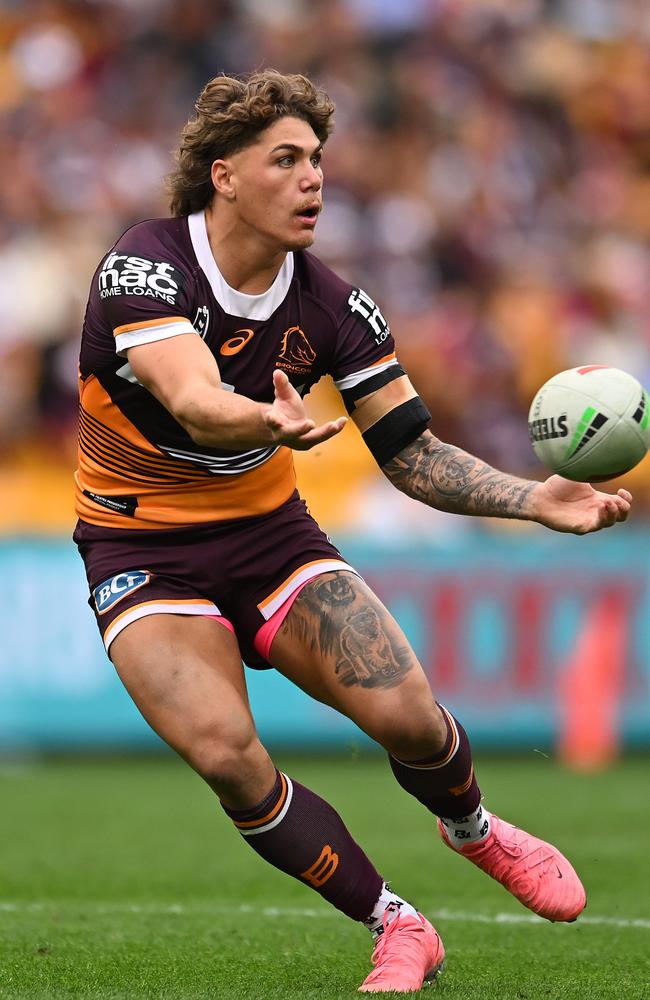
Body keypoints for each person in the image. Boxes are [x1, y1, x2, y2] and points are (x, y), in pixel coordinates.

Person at [73, 70, 631, 994]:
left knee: (407, 715)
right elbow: (193, 401)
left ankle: (476, 832)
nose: (313, 180)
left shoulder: (335, 305)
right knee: (228, 757)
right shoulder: (145, 263)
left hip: (269, 538)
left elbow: (410, 452)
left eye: (318, 160)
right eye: (285, 160)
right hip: (141, 550)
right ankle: (397, 926)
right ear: (224, 175)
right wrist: (268, 423)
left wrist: (531, 500)